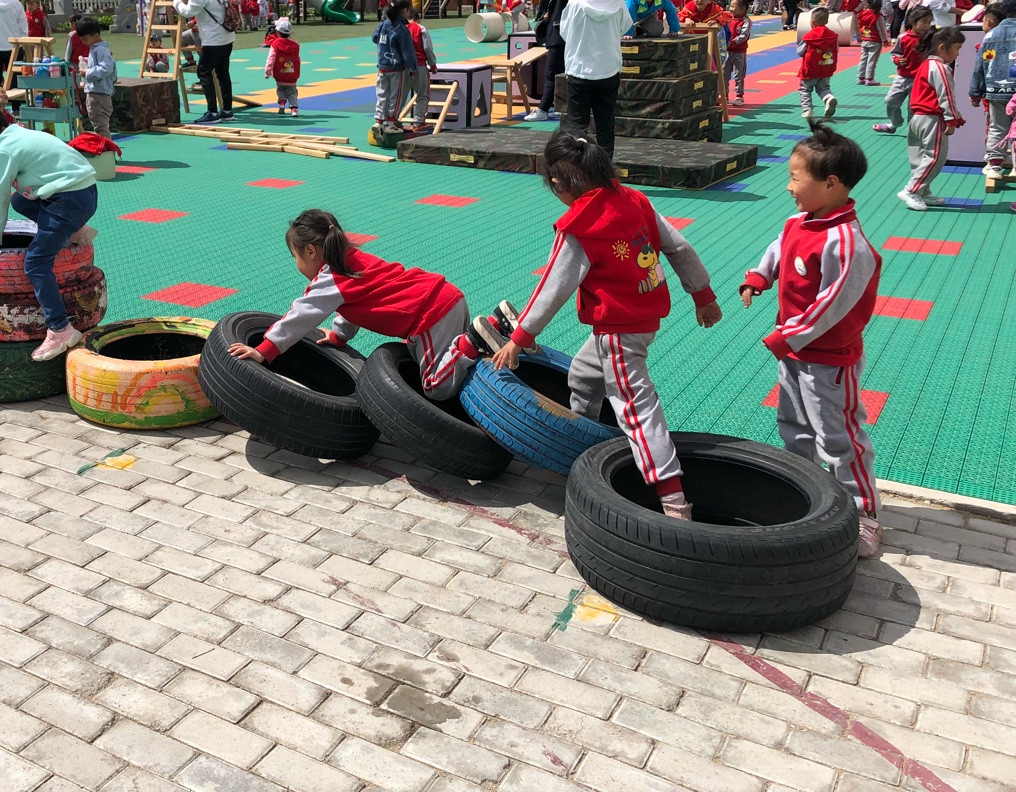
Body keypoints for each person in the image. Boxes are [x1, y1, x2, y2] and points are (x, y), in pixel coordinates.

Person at [492, 133, 721, 520]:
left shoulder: (580, 226)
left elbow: (552, 287)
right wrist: (703, 295)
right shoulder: (634, 199)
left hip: (618, 329)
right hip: (643, 315)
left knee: (635, 406)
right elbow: (678, 247)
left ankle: (673, 499)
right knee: (583, 374)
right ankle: (578, 448)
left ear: (558, 184)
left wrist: (521, 336)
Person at [739, 124, 883, 558]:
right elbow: (779, 248)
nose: (789, 187)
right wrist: (759, 276)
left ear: (831, 183)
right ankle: (806, 490)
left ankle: (864, 514)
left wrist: (788, 335)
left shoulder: (847, 245)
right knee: (795, 424)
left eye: (795, 178)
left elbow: (831, 305)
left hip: (829, 359)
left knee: (839, 436)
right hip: (796, 353)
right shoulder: (799, 222)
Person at [226, 209, 517, 401]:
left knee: (435, 387)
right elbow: (352, 308)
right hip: (444, 299)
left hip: (430, 314)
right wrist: (339, 336)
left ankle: (473, 340)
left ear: (311, 251)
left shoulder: (331, 278)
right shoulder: (352, 260)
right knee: (428, 359)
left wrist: (264, 350)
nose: (296, 263)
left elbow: (300, 315)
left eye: (295, 256)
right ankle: (497, 325)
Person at [0, 101, 99, 361]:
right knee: (20, 200)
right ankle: (75, 230)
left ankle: (60, 329)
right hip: (85, 192)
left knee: (36, 263)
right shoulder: (20, 132)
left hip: (67, 201)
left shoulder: (3, 151)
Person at [560, 0, 633, 157]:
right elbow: (624, 27)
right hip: (608, 70)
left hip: (579, 71)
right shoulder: (617, 2)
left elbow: (565, 32)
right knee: (605, 124)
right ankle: (605, 169)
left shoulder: (575, 3)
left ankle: (577, 169)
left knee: (577, 127)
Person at [898, 26, 965, 211]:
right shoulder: (941, 68)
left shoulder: (926, 64)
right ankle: (911, 190)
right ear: (942, 47)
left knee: (919, 157)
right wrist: (952, 119)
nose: (958, 53)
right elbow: (946, 96)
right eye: (957, 48)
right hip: (932, 118)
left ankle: (923, 191)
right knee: (935, 157)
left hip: (917, 117)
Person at [171, 0, 236, 125]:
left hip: (213, 38)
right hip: (227, 34)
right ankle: (227, 110)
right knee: (223, 72)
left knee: (204, 71)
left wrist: (175, 0)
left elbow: (188, 11)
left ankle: (212, 112)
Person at [528, 0, 579, 121]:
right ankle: (557, 106)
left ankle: (543, 109)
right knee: (557, 75)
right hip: (558, 37)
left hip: (561, 39)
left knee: (551, 74)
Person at [970, 1, 1016, 180]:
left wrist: (975, 91)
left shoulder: (991, 35)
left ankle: (995, 164)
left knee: (997, 127)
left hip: (996, 89)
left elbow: (980, 65)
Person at [873, 5, 934, 135]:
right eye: (923, 22)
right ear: (913, 21)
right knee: (890, 101)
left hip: (920, 80)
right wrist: (897, 59)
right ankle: (895, 123)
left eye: (929, 22)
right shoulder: (903, 37)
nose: (926, 26)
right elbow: (894, 53)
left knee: (913, 108)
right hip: (902, 78)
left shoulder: (930, 38)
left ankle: (913, 133)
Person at [372, 0, 417, 134]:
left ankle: (379, 122)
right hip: (396, 67)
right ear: (404, 10)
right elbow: (408, 51)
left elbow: (374, 38)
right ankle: (391, 123)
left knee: (382, 94)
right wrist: (413, 68)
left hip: (382, 66)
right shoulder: (402, 29)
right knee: (395, 96)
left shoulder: (383, 24)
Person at [797, 6, 840, 121]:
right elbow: (837, 49)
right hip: (826, 67)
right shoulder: (832, 35)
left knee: (805, 89)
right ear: (827, 21)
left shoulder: (809, 36)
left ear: (812, 22)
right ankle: (829, 98)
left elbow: (800, 52)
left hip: (810, 69)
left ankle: (807, 110)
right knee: (823, 88)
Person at [79, 18, 116, 138]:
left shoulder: (100, 49)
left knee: (100, 126)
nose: (83, 42)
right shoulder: (96, 48)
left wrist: (88, 72)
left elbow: (106, 68)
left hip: (98, 94)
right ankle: (105, 147)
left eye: (85, 39)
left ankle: (107, 148)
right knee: (99, 125)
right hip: (97, 92)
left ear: (95, 35)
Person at [406, 5, 439, 125]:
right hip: (419, 65)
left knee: (400, 96)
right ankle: (418, 121)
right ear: (418, 19)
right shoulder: (420, 28)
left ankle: (393, 120)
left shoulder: (401, 28)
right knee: (422, 95)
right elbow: (427, 48)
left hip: (403, 67)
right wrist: (432, 65)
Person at [265, 16, 301, 116]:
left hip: (279, 74)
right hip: (292, 74)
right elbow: (298, 60)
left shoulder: (275, 44)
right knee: (292, 92)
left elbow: (271, 58)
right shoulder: (295, 45)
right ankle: (294, 109)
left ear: (277, 32)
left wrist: (268, 72)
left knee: (280, 89)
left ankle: (281, 104)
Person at [854, 0, 889, 88]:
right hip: (874, 40)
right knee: (872, 60)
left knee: (863, 59)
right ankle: (869, 78)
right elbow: (881, 29)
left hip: (864, 39)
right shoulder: (877, 16)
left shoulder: (862, 14)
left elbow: (860, 26)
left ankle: (861, 77)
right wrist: (885, 40)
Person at [724, 0, 752, 104]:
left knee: (738, 75)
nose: (731, 9)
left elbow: (744, 35)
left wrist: (733, 42)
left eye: (733, 6)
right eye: (730, 6)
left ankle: (739, 95)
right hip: (727, 51)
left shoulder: (745, 21)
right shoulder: (728, 18)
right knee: (724, 73)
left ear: (742, 8)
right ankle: (724, 95)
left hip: (739, 52)